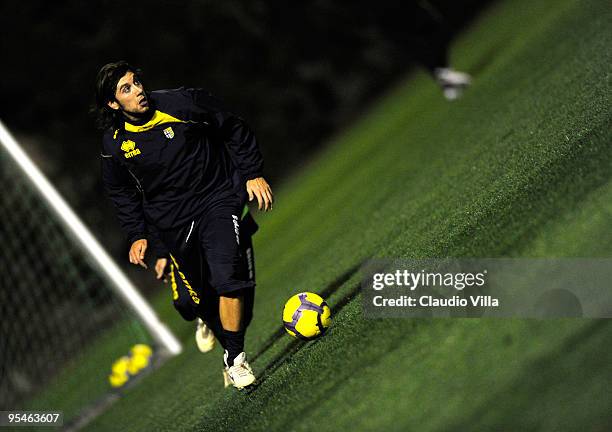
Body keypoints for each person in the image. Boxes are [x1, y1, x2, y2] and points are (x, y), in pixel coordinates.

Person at [93, 61, 273, 389]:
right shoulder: (114, 144)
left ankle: (235, 359)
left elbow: (233, 126)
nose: (138, 91)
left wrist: (252, 172)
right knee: (196, 306)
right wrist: (137, 234)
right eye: (126, 89)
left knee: (228, 278)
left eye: (136, 82)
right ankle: (205, 315)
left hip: (217, 199)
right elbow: (121, 192)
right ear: (113, 104)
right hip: (174, 223)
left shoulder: (183, 103)